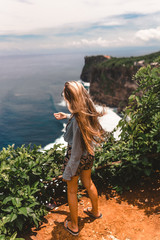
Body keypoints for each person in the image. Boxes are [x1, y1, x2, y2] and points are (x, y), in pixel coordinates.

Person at [54, 81, 105, 236]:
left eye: (64, 95)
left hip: (75, 158)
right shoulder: (87, 112)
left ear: (70, 99)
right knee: (88, 183)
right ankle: (95, 212)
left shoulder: (77, 121)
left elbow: (75, 152)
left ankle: (74, 225)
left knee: (72, 190)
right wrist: (67, 116)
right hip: (89, 155)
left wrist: (68, 170)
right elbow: (78, 119)